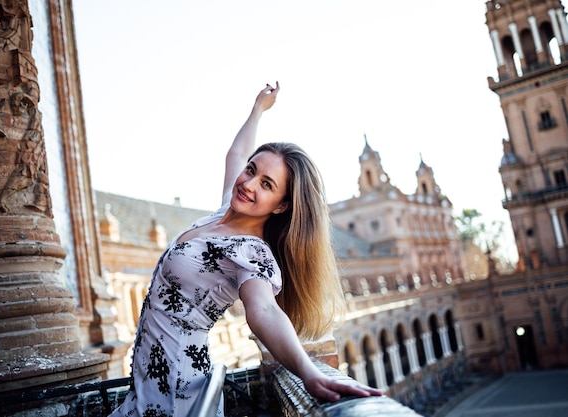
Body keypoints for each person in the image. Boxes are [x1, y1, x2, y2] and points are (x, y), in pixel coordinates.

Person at [109, 82, 382, 417]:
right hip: (148, 375)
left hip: (175, 385)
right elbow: (236, 155)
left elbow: (264, 311)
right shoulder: (225, 209)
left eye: (266, 185)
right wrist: (257, 110)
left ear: (281, 206)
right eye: (252, 171)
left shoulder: (252, 252)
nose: (249, 183)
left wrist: (308, 372)